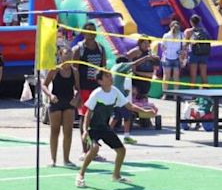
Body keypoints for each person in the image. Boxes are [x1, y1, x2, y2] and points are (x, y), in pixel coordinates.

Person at [75, 71, 156, 188]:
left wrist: (145, 111)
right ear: (100, 81)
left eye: (110, 75)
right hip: (93, 127)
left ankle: (116, 175)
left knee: (121, 150)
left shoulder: (115, 91)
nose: (110, 77)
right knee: (94, 149)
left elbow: (130, 106)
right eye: (106, 76)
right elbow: (88, 113)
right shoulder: (97, 93)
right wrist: (85, 130)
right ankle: (80, 175)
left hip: (104, 127)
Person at [72, 22, 106, 161]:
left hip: (97, 88)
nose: (91, 33)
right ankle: (85, 150)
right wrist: (77, 89)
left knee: (96, 119)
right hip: (84, 88)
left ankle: (94, 150)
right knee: (85, 118)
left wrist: (105, 87)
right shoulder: (78, 49)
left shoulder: (101, 48)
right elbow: (75, 70)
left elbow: (103, 68)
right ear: (83, 32)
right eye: (88, 30)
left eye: (93, 30)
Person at [41, 47, 80, 167]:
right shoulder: (55, 70)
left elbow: (78, 89)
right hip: (56, 102)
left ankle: (66, 160)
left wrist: (76, 99)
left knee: (68, 132)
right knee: (55, 131)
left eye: (70, 55)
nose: (68, 58)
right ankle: (53, 159)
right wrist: (50, 95)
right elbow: (44, 85)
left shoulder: (74, 71)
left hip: (69, 103)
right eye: (66, 55)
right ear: (60, 56)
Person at [110, 54, 155, 144]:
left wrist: (124, 91)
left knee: (116, 116)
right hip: (119, 96)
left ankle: (106, 133)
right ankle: (126, 137)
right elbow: (135, 63)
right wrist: (146, 58)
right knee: (128, 114)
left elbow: (117, 82)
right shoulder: (122, 65)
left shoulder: (114, 67)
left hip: (115, 95)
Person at [184, 14, 210, 87]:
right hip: (204, 53)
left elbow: (186, 44)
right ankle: (207, 93)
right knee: (204, 74)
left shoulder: (188, 31)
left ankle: (192, 93)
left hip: (194, 53)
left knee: (193, 75)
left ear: (191, 22)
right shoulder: (204, 31)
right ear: (199, 22)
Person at [161, 21, 185, 98]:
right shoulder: (181, 35)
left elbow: (162, 47)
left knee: (166, 76)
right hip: (176, 57)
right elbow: (184, 46)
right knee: (176, 77)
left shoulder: (166, 35)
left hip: (167, 57)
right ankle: (175, 95)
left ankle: (165, 94)